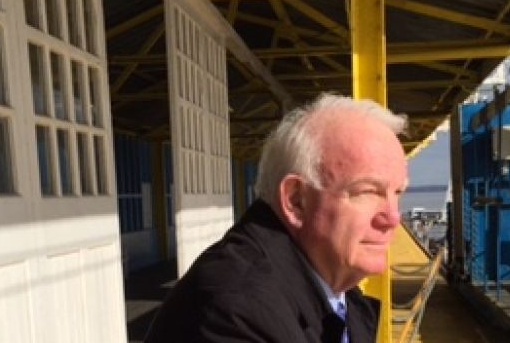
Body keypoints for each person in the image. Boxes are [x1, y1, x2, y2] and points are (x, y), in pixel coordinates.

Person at [145, 93, 408, 343]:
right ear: (295, 200)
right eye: (367, 192)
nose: (392, 218)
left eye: (397, 193)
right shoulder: (236, 311)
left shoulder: (330, 282)